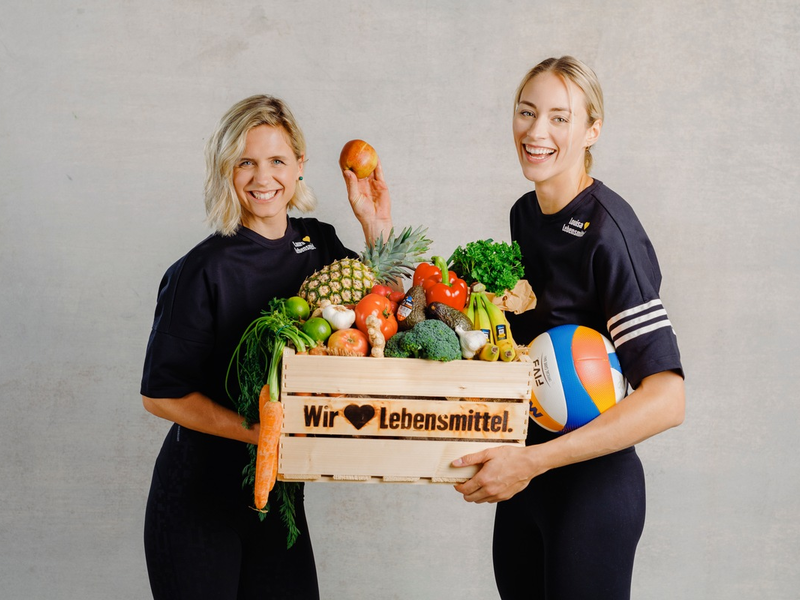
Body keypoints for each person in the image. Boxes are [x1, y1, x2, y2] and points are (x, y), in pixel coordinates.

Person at [140, 94, 392, 599]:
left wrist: (375, 226)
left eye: (277, 161)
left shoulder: (318, 245)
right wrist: (261, 435)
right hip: (198, 502)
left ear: (300, 165)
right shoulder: (202, 270)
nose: (263, 178)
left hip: (278, 502)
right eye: (246, 163)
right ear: (226, 170)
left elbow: (383, 316)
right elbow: (161, 395)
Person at [452, 56, 685, 599]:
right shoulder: (524, 215)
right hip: (523, 483)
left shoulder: (610, 233)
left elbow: (668, 398)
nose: (536, 131)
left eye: (560, 117)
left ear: (591, 129)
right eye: (526, 112)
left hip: (589, 491)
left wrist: (530, 462)